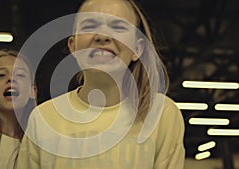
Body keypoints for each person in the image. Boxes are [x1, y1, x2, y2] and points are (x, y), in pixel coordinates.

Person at [17, 0, 185, 168]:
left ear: (137, 49)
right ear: (73, 46)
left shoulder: (161, 115)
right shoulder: (42, 119)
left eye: (118, 27)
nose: (103, 36)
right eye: (89, 26)